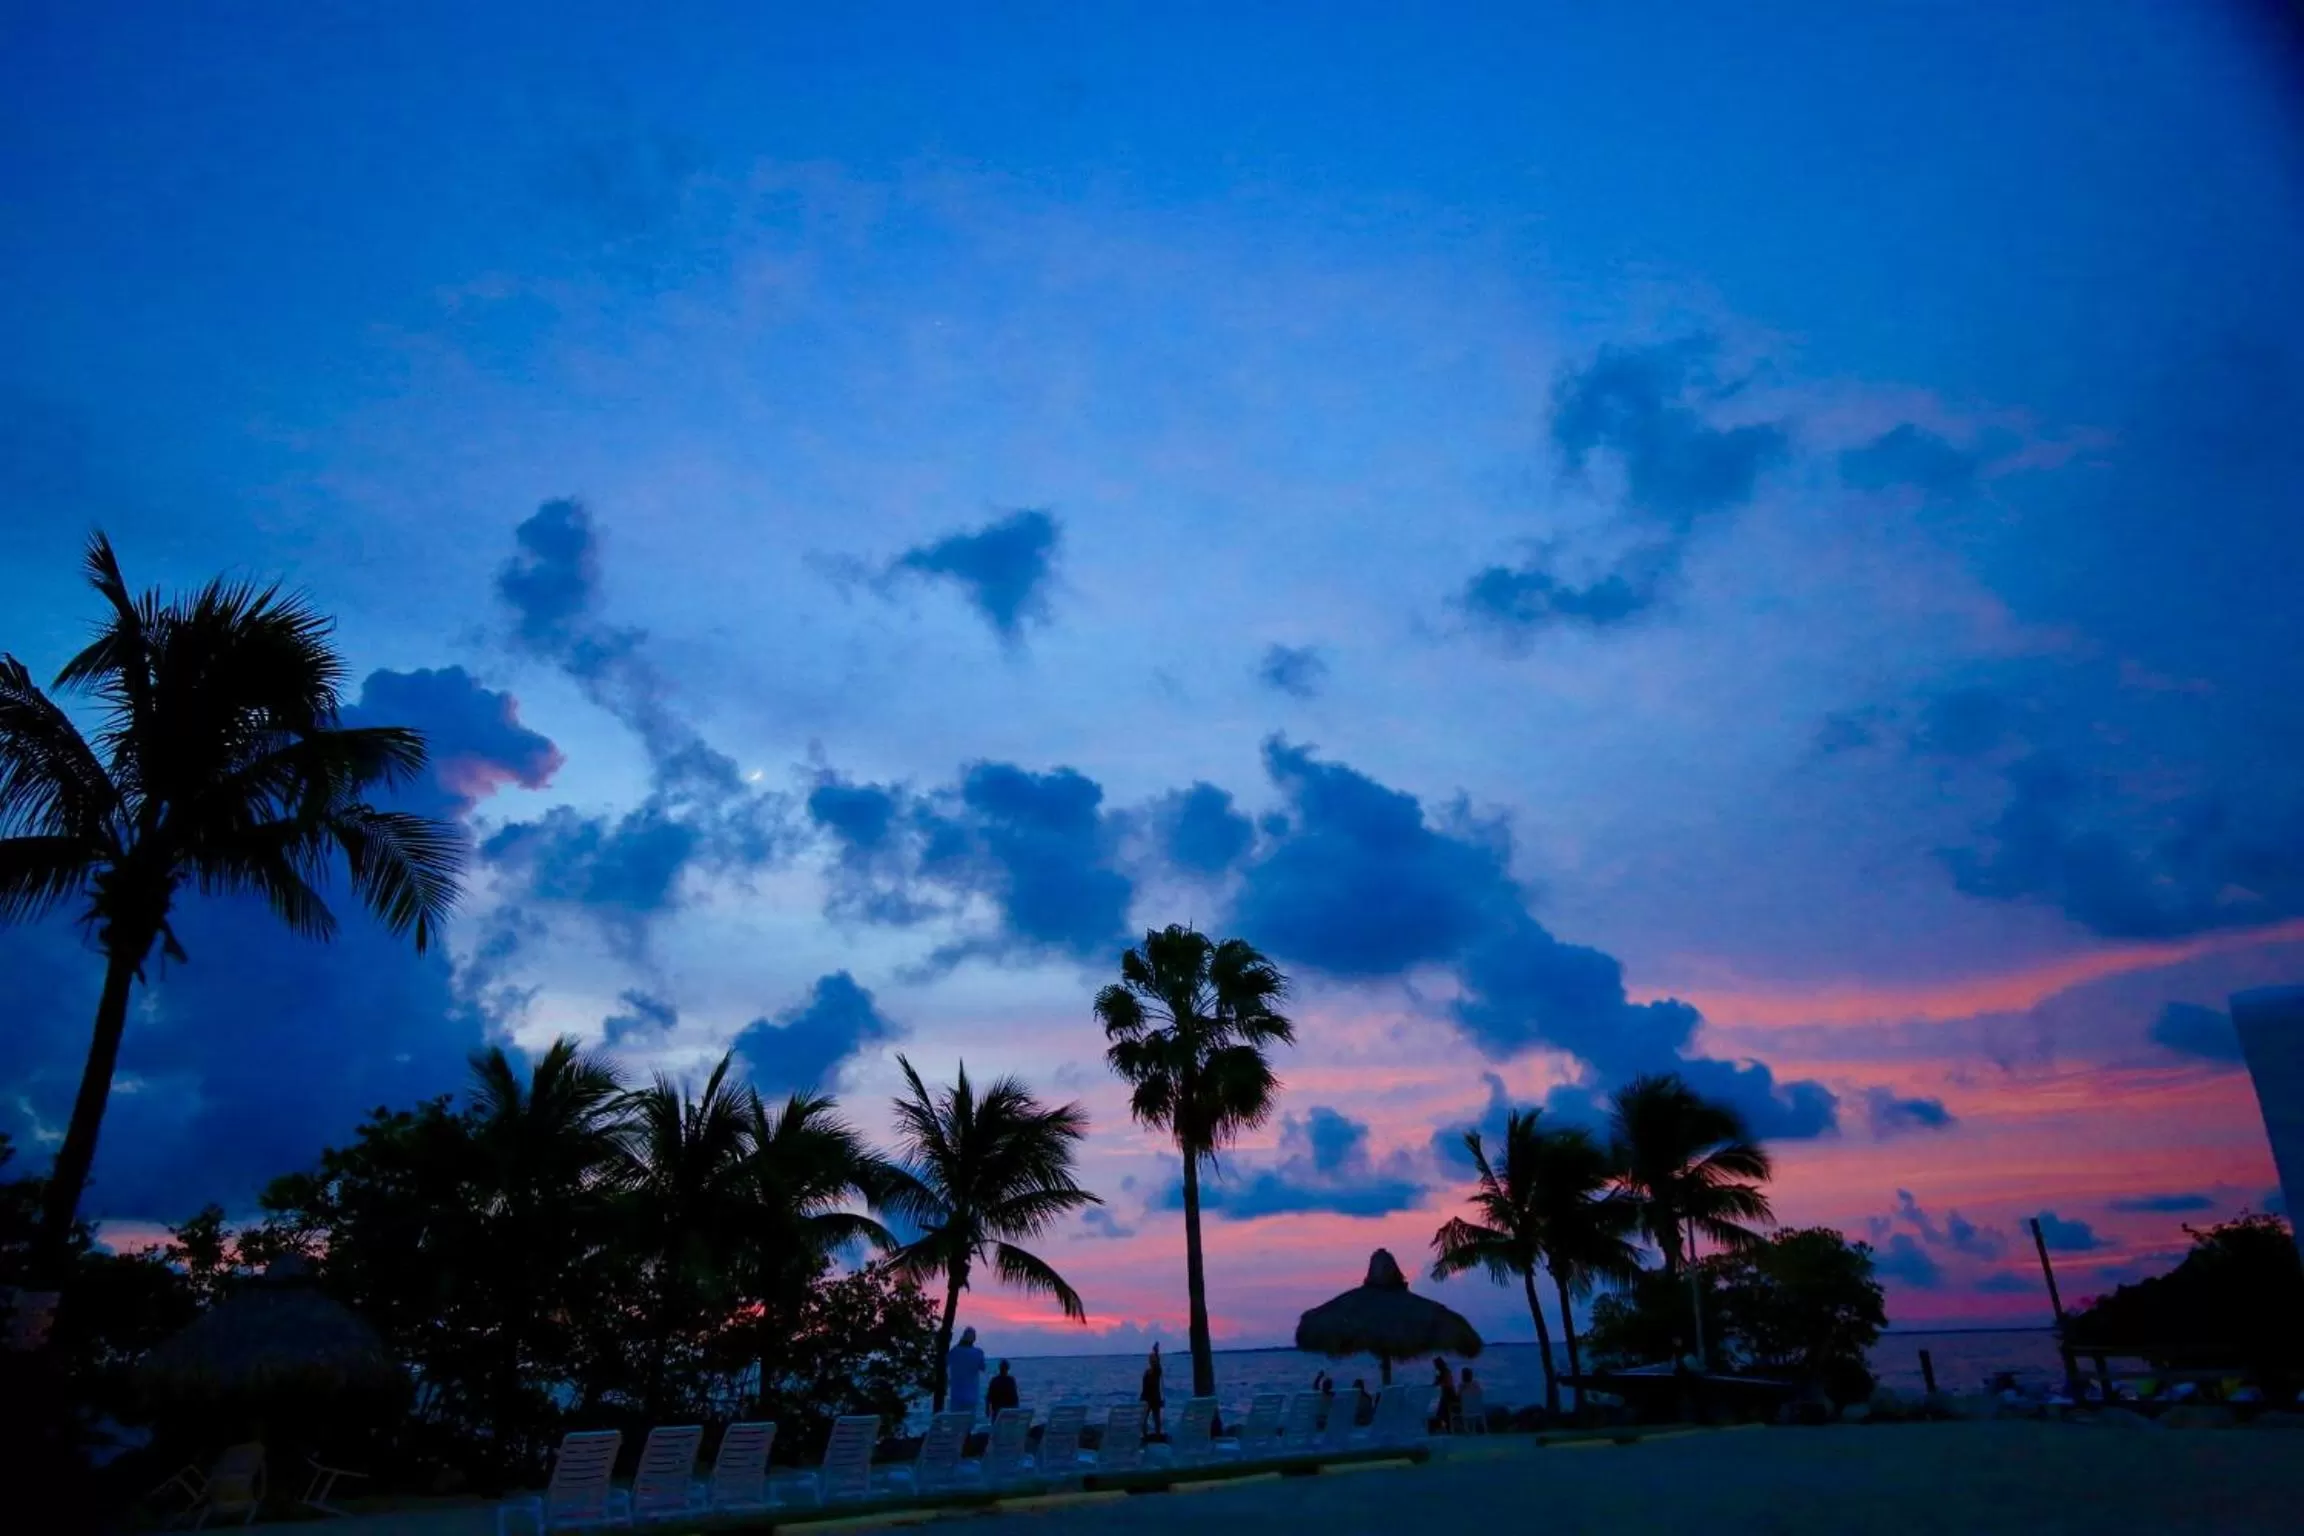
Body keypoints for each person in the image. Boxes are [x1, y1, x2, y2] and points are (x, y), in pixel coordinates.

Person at [947, 1326, 987, 1416]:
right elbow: (983, 1367)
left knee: (955, 1423)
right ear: (974, 1339)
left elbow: (946, 1361)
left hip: (956, 1396)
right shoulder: (978, 1353)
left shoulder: (954, 1351)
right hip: (971, 1396)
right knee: (968, 1424)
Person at [1140, 1342, 1166, 1436]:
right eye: (1151, 1360)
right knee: (1144, 1418)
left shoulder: (1157, 1371)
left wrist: (1156, 1351)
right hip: (1146, 1398)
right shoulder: (1147, 1372)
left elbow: (1158, 1365)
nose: (1152, 1361)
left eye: (1153, 1360)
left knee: (1156, 1418)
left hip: (1155, 1399)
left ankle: (1158, 1434)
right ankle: (1145, 1435)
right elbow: (1144, 1387)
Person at [1432, 1356, 1459, 1432]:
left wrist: (1437, 1374)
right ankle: (1445, 1427)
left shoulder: (1442, 1372)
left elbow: (1436, 1383)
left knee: (1442, 1410)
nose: (1435, 1367)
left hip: (1448, 1394)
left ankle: (1443, 1427)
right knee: (1442, 1409)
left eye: (1435, 1365)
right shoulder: (1447, 1371)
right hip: (1451, 1393)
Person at [1458, 1366, 1485, 1432]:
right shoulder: (1476, 1385)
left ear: (1462, 1377)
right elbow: (1480, 1395)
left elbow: (1458, 1397)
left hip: (1466, 1412)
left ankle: (1467, 1429)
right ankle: (1473, 1429)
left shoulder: (1461, 1386)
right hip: (1477, 1411)